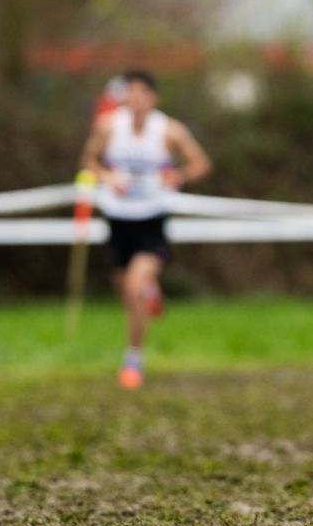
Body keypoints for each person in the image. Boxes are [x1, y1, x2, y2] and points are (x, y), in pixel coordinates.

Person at [77, 70, 212, 389]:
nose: (136, 100)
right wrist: (107, 177)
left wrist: (177, 177)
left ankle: (133, 359)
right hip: (118, 217)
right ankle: (149, 292)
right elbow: (88, 160)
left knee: (135, 287)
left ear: (154, 98)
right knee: (125, 290)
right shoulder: (109, 126)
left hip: (152, 219)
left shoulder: (169, 130)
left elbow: (200, 163)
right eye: (130, 93)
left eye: (142, 93)